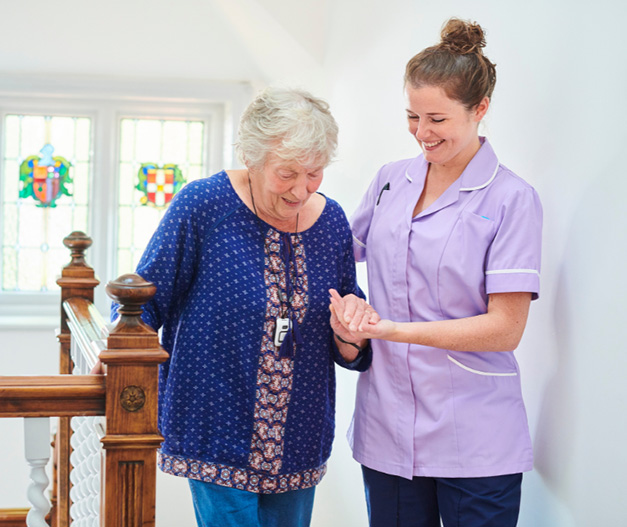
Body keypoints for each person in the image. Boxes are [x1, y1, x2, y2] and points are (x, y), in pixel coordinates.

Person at [329, 18, 542, 527]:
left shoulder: (512, 199)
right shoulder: (389, 182)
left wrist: (390, 331)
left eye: (437, 120)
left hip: (475, 435)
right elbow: (335, 252)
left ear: (480, 109)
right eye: (412, 116)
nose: (422, 133)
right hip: (387, 428)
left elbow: (505, 329)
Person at [127, 87, 372, 527]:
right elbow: (144, 302)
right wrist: (118, 364)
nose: (301, 189)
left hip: (299, 431)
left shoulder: (332, 220)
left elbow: (347, 320)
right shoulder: (203, 205)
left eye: (314, 173)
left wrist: (351, 334)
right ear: (251, 158)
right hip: (214, 421)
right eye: (286, 173)